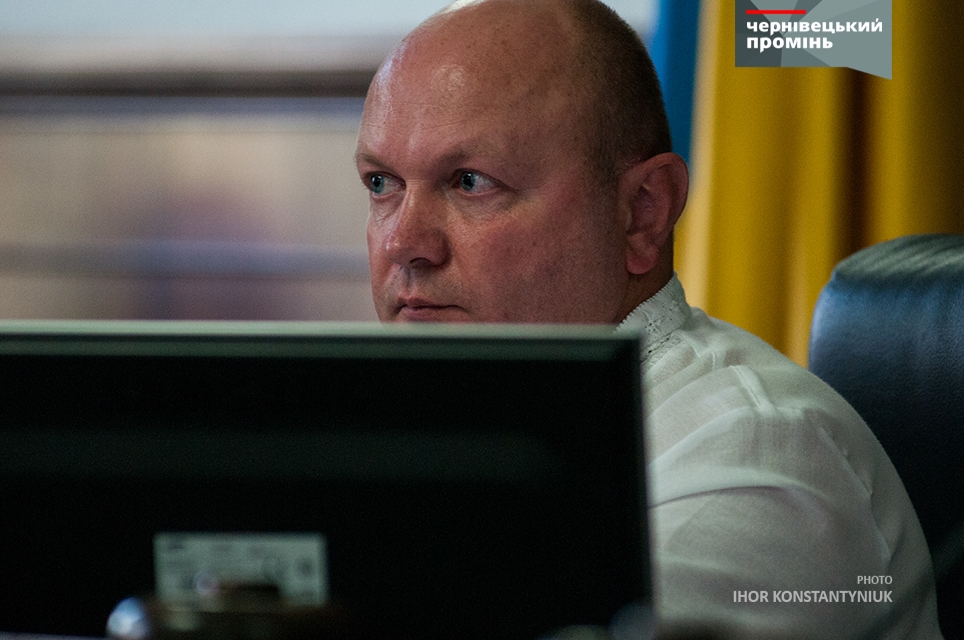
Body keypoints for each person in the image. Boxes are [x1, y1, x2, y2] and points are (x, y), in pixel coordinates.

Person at [354, 0, 942, 637]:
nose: (403, 243)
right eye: (382, 184)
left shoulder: (759, 455)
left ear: (643, 212)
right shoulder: (394, 436)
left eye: (470, 181)